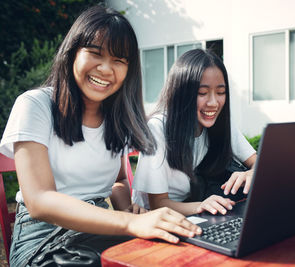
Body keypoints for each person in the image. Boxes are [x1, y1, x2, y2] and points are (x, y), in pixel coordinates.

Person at [0, 5, 201, 266]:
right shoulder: (35, 105)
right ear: (72, 53)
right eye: (95, 53)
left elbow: (118, 180)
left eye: (119, 60)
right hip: (43, 238)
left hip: (100, 232)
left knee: (179, 251)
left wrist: (129, 210)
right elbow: (40, 200)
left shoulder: (116, 119)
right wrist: (131, 222)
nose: (106, 69)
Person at [132, 49, 257, 216]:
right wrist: (200, 206)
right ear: (182, 94)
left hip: (193, 209)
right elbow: (158, 204)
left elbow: (259, 163)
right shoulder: (158, 128)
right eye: (202, 93)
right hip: (154, 217)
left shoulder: (221, 123)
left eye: (220, 92)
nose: (213, 103)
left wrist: (252, 173)